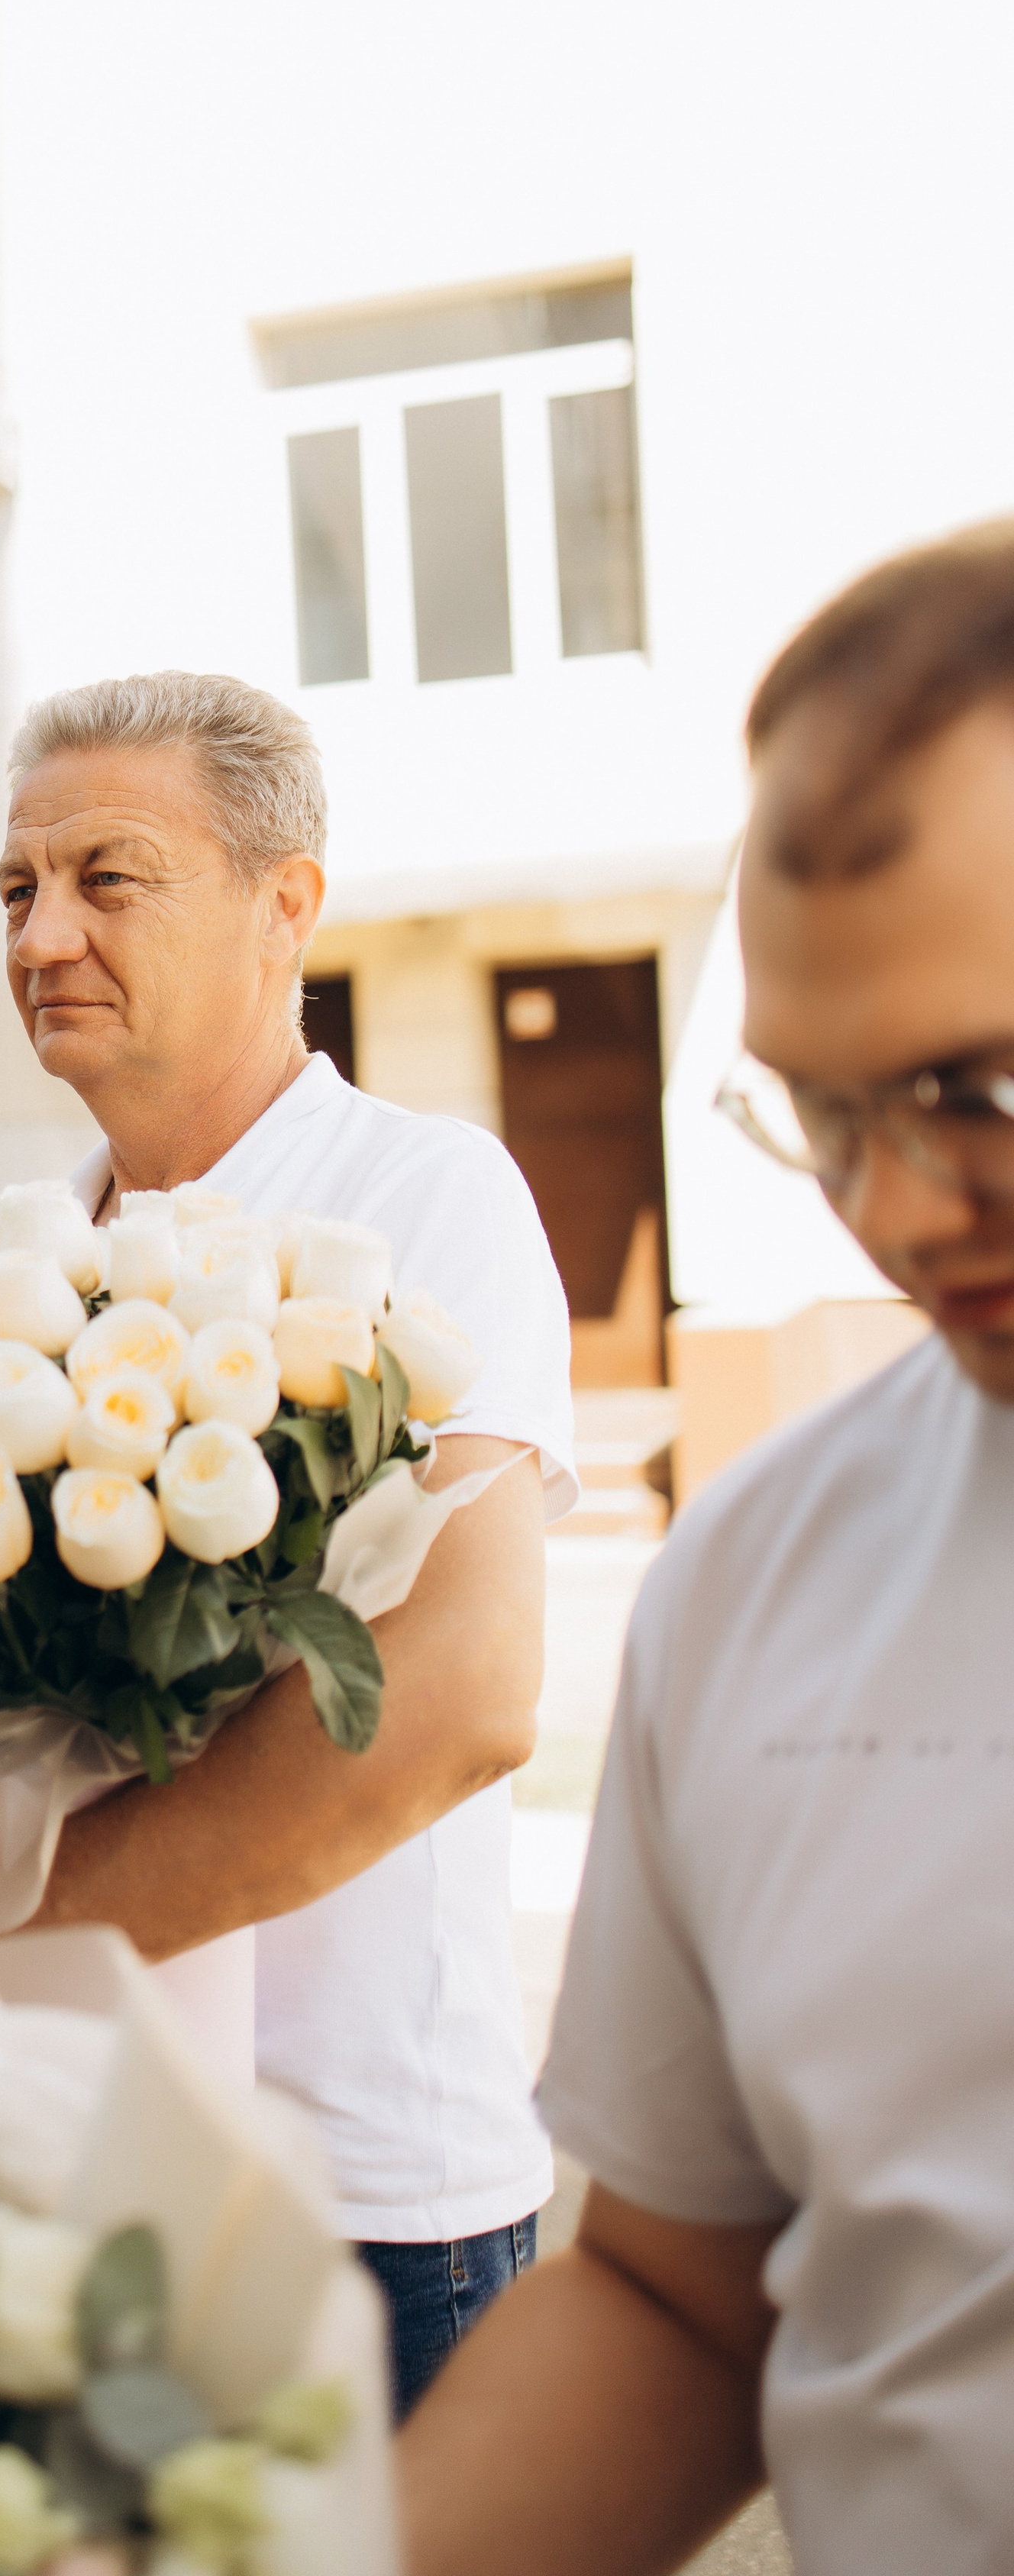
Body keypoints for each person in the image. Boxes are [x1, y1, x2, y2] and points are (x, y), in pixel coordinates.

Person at [0, 673, 577, 2413]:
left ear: (286, 904)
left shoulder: (423, 1203)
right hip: (30, 2163)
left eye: (105, 878)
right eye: (12, 889)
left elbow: (450, 1702)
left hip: (349, 2200)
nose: (42, 933)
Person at [396, 519, 1014, 2574]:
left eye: (981, 1092)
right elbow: (678, 2297)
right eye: (824, 1117)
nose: (908, 1214)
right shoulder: (758, 1583)